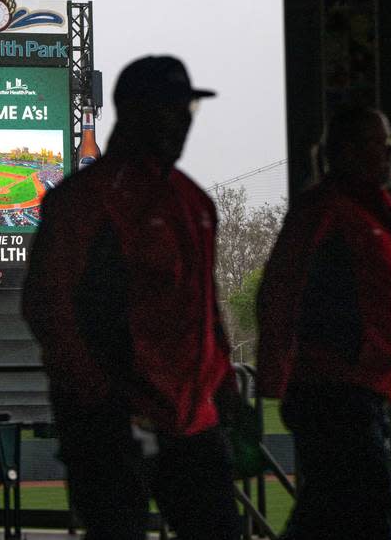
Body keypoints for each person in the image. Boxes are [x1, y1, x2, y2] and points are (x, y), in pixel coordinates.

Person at [22, 55, 241, 540]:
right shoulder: (86, 200)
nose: (184, 119)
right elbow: (47, 306)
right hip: (110, 423)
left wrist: (222, 381)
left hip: (191, 418)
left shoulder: (194, 201)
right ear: (136, 111)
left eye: (189, 108)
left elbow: (205, 307)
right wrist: (100, 398)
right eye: (172, 107)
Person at [255, 104, 391, 540]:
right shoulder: (327, 210)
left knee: (330, 514)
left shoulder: (377, 213)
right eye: (383, 145)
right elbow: (279, 289)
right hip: (333, 392)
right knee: (364, 510)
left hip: (358, 391)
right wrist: (273, 372)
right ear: (350, 150)